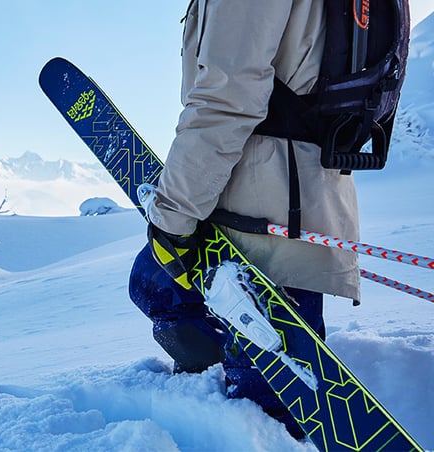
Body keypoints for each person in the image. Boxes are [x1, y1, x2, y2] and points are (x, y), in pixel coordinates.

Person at [128, 0, 360, 438]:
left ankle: (234, 402)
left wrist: (173, 214)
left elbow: (227, 98)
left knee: (264, 425)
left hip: (263, 216)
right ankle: (208, 386)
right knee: (153, 285)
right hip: (296, 199)